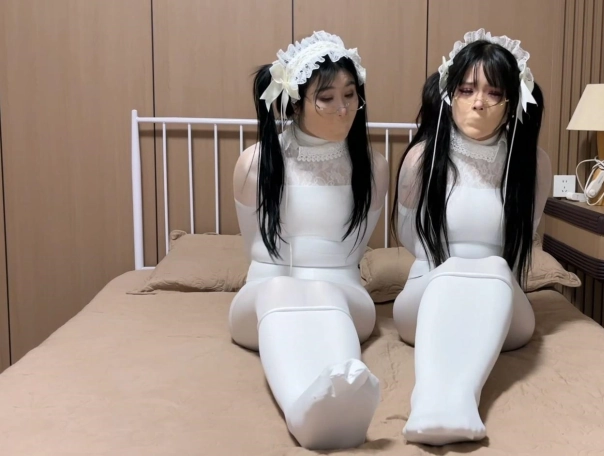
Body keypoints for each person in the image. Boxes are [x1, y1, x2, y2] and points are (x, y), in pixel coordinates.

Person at [228, 31, 388, 450]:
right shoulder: (255, 163)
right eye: (327, 98)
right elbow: (257, 250)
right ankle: (303, 409)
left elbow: (354, 251)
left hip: (344, 297)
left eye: (350, 95)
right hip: (262, 299)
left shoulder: (373, 167)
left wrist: (316, 282)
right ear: (295, 102)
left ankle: (343, 392)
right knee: (280, 286)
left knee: (323, 287)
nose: (343, 109)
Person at [392, 29, 552, 446]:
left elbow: (528, 230)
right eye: (466, 89)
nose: (478, 102)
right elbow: (409, 237)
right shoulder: (423, 157)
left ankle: (457, 398)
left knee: (494, 264)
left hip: (504, 307)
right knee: (455, 268)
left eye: (493, 92)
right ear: (450, 94)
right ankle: (434, 402)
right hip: (424, 297)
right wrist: (453, 270)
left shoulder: (531, 163)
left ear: (512, 101)